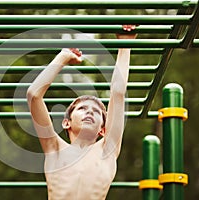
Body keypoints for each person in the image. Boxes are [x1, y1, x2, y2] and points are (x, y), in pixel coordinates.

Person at [26, 25, 137, 200]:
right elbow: (33, 95)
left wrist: (125, 45)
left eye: (96, 111)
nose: (90, 112)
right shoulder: (54, 149)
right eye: (82, 108)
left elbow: (118, 92)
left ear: (103, 129)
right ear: (66, 122)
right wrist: (62, 58)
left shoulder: (107, 150)